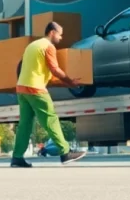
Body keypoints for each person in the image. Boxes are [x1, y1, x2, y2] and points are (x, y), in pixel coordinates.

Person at [10, 21, 87, 168]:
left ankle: (17, 157)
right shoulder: (48, 47)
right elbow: (55, 69)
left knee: (25, 124)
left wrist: (65, 83)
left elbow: (43, 73)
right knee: (50, 119)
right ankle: (65, 152)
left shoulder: (33, 46)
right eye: (60, 34)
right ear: (52, 32)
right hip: (35, 88)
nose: (61, 38)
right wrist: (70, 82)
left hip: (22, 88)